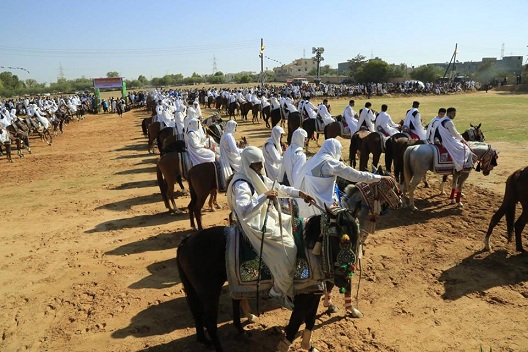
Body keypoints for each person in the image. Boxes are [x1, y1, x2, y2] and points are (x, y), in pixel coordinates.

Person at [294, 138, 393, 314]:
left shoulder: (313, 160)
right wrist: (378, 178)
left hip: (304, 211)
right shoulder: (329, 162)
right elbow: (354, 175)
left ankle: (328, 296)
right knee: (347, 247)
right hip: (322, 211)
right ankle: (345, 297)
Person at [226, 146, 315, 310]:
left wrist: (300, 194)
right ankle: (278, 292)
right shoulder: (241, 184)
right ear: (248, 164)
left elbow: (279, 188)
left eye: (261, 164)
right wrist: (264, 196)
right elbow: (243, 209)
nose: (261, 167)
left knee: (294, 224)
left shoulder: (258, 177)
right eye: (257, 165)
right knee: (288, 248)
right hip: (252, 222)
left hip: (267, 215)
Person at [435, 107, 474, 172]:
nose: (454, 116)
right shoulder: (449, 122)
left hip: (442, 139)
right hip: (447, 141)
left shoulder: (442, 119)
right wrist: (463, 140)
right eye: (453, 114)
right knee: (465, 148)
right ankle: (461, 166)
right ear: (449, 113)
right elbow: (455, 134)